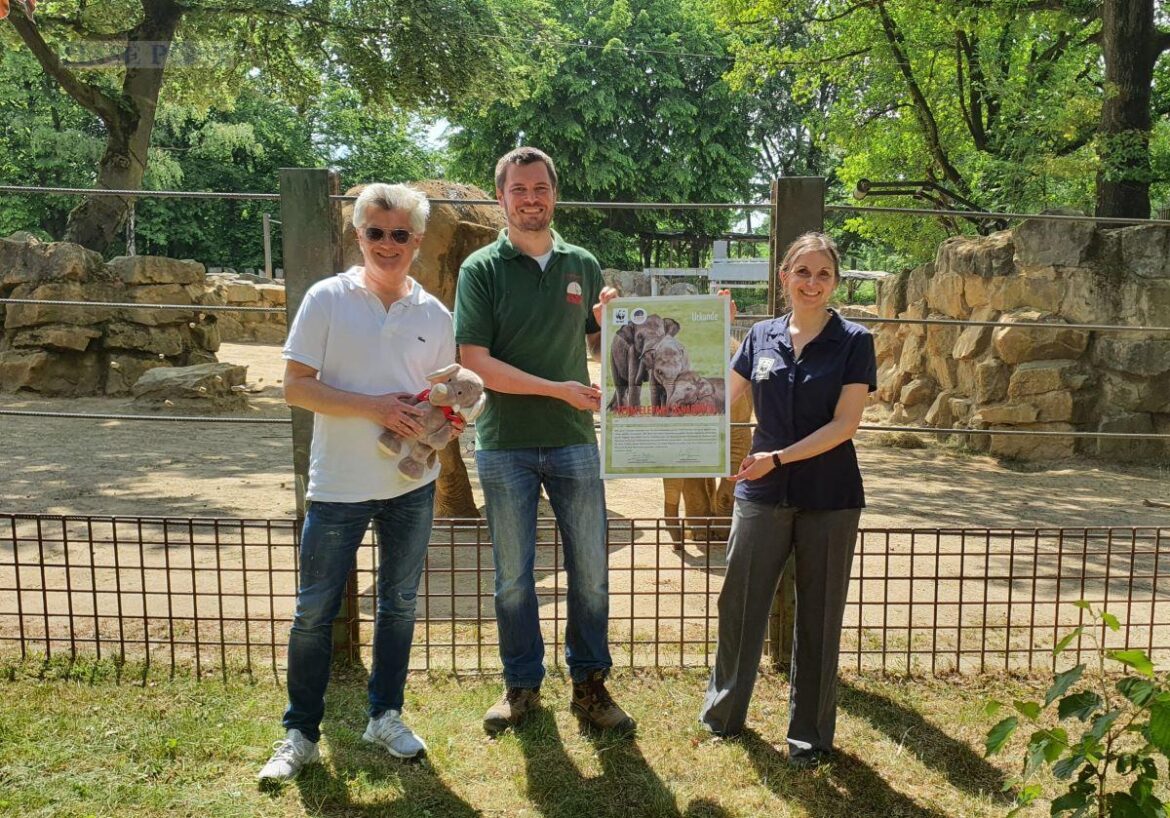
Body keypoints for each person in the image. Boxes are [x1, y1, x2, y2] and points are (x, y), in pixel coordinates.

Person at [259, 183, 457, 782]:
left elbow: (444, 396)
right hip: (338, 485)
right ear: (358, 235)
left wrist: (441, 421)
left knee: (398, 606)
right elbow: (295, 387)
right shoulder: (326, 298)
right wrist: (375, 408)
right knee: (314, 612)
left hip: (411, 485)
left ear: (417, 241)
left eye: (400, 234)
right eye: (376, 232)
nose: (388, 244)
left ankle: (385, 715)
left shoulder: (435, 314)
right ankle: (300, 733)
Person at [454, 146, 633, 735]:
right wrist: (559, 389)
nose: (530, 199)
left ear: (555, 194)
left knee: (591, 571)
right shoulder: (480, 268)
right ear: (501, 197)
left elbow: (605, 347)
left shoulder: (583, 262)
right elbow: (476, 362)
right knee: (513, 575)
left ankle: (590, 684)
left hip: (574, 440)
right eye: (518, 190)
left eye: (540, 189)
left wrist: (614, 320)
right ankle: (521, 685)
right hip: (504, 441)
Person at [699, 232, 877, 769]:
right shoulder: (759, 336)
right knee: (740, 603)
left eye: (823, 274)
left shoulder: (854, 341)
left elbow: (845, 426)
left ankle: (810, 737)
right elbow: (711, 398)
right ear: (784, 277)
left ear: (836, 281)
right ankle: (724, 716)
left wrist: (776, 457)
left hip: (829, 495)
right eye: (803, 272)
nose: (812, 283)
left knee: (820, 617)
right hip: (762, 493)